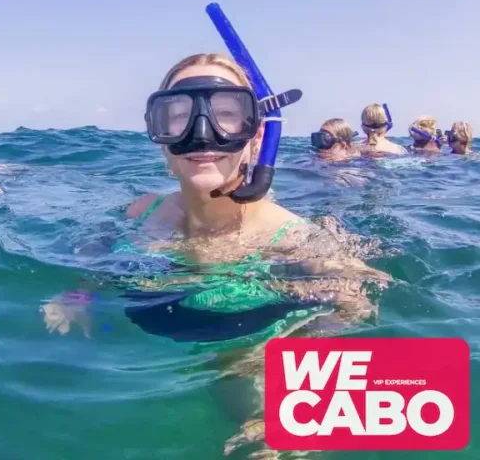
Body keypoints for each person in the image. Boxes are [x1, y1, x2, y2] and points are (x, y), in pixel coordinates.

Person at [42, 52, 391, 459]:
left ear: (255, 137)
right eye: (178, 115)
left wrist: (275, 357)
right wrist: (79, 293)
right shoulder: (144, 210)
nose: (202, 133)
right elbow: (99, 246)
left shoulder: (291, 238)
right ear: (160, 139)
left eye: (226, 114)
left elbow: (361, 300)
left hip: (248, 352)